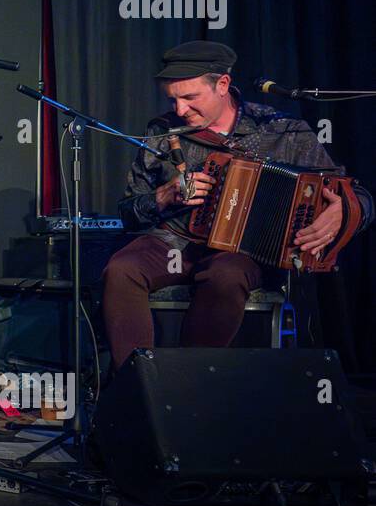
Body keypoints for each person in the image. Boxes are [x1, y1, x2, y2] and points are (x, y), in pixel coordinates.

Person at [101, 40, 372, 368]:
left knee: (226, 276)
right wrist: (162, 196)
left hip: (244, 252)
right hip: (175, 241)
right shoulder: (161, 130)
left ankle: (189, 385)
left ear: (223, 84)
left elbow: (355, 194)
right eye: (173, 99)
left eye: (190, 98)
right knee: (121, 269)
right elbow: (128, 211)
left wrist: (343, 211)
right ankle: (137, 387)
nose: (180, 110)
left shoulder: (280, 129)